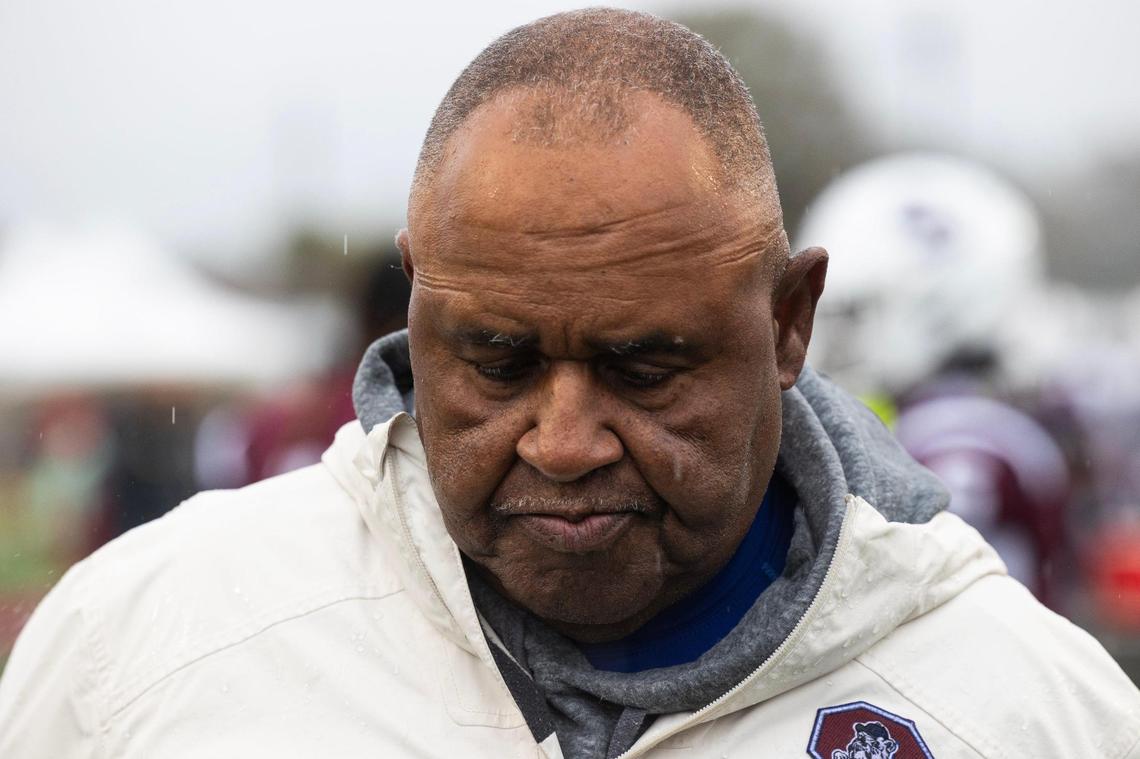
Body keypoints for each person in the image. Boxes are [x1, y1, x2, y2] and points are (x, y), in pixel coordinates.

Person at [1, 8, 1138, 758]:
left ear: (789, 323)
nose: (562, 439)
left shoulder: (1027, 710)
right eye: (494, 361)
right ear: (414, 313)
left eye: (644, 366)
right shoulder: (147, 645)